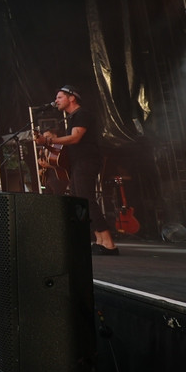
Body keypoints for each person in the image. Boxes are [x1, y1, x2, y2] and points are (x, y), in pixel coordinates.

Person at [37, 85, 118, 255]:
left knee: (86, 199)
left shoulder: (82, 114)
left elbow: (75, 138)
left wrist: (49, 141)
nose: (56, 101)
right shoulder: (72, 117)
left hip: (86, 161)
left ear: (71, 98)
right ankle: (100, 241)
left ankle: (109, 244)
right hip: (77, 163)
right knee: (80, 199)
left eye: (59, 97)